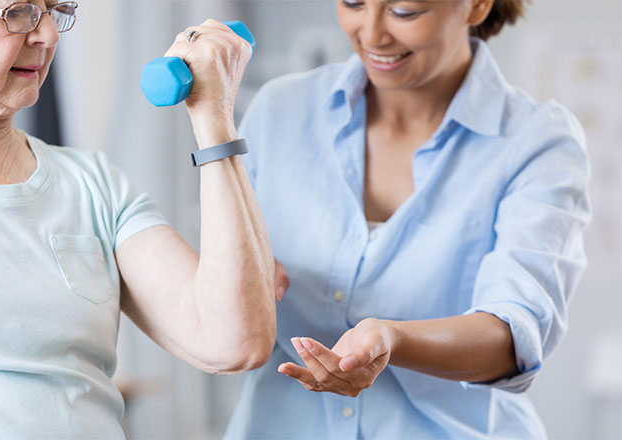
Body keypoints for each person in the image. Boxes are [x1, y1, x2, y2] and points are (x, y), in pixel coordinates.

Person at [226, 0, 590, 438]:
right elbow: (222, 281)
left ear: (477, 5)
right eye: (354, 3)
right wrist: (242, 272)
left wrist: (392, 340)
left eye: (403, 11)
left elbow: (514, 335)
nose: (372, 34)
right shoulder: (279, 110)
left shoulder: (537, 140)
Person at [0, 1, 286, 437]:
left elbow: (235, 341)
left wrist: (214, 117)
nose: (49, 34)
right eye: (19, 11)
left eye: (55, 10)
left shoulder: (94, 185)